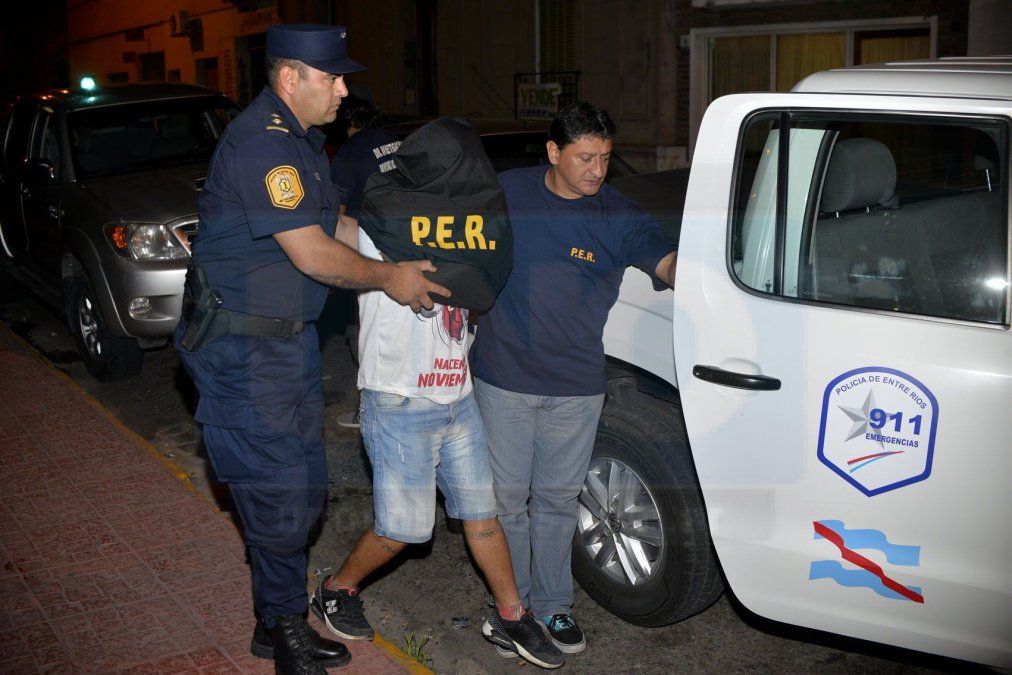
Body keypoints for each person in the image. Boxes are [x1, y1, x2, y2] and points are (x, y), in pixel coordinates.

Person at [174, 24, 448, 675]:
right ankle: (284, 629)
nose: (345, 90)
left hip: (285, 342)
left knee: (303, 490)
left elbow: (337, 224)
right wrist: (391, 279)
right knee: (278, 493)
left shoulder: (300, 142)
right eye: (334, 77)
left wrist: (403, 247)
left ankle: (275, 617)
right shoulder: (262, 146)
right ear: (292, 78)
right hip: (242, 348)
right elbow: (313, 253)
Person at [309, 219, 565, 670]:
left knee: (483, 515)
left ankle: (510, 616)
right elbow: (326, 225)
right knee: (403, 530)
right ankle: (335, 591)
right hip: (399, 401)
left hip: (457, 399)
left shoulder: (465, 234)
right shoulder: (379, 229)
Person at [469, 102, 677, 655]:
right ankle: (514, 609)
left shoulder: (618, 216)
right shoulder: (508, 192)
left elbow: (665, 262)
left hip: (576, 387)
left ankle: (554, 607)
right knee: (507, 504)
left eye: (605, 158)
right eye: (585, 157)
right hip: (504, 378)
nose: (597, 170)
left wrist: (707, 272)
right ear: (553, 152)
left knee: (558, 504)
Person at [328, 89, 402, 429]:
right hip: (404, 245)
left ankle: (372, 409)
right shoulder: (398, 142)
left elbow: (336, 214)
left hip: (367, 251)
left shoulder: (351, 151)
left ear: (349, 123)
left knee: (363, 333)